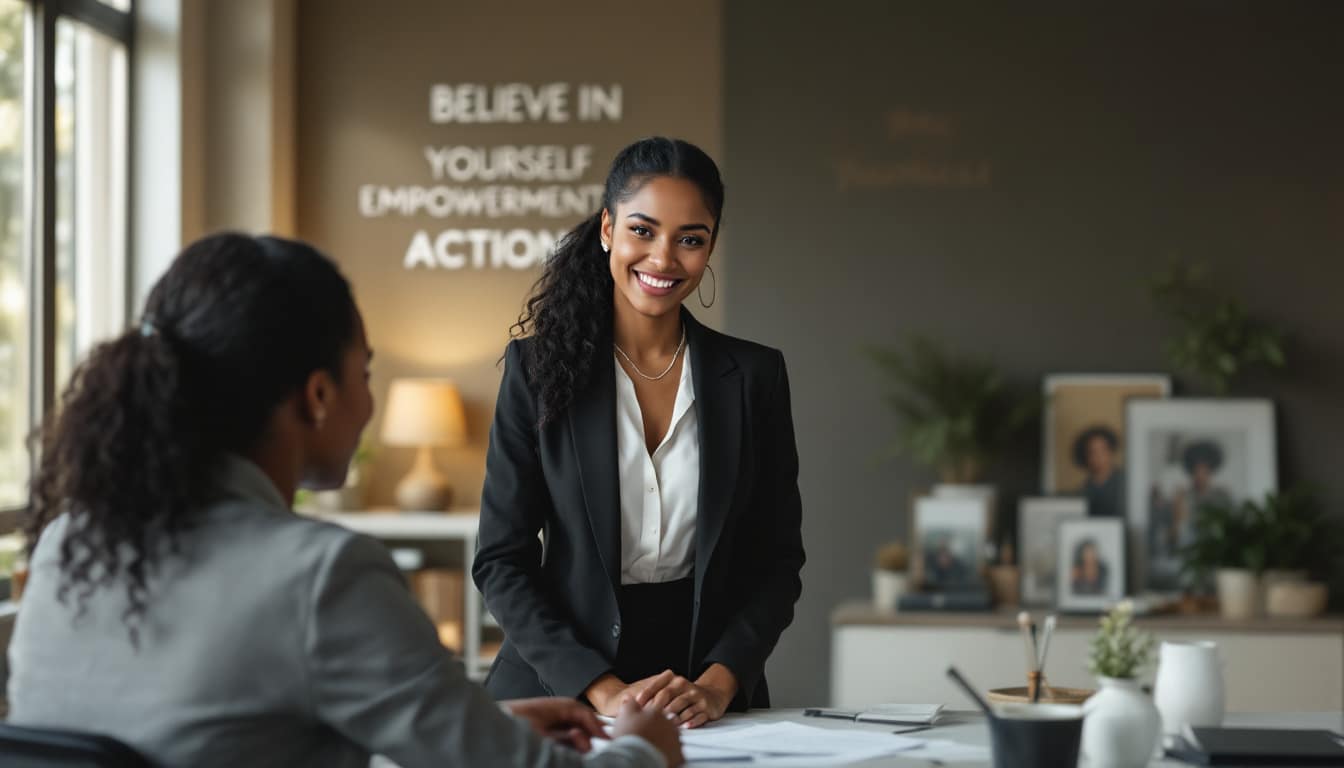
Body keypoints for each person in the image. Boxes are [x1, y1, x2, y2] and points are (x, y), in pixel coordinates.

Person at [7, 233, 682, 768]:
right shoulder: (320, 576)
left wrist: (484, 726)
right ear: (318, 395)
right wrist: (647, 747)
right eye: (364, 371)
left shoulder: (70, 542)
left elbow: (216, 731)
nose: (369, 396)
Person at [474, 137, 805, 729]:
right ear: (607, 229)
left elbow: (776, 563)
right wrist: (602, 691)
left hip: (702, 697)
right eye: (643, 231)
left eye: (690, 239)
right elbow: (502, 560)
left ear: (710, 246)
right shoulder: (535, 370)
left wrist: (718, 685)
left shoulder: (755, 376)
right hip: (559, 688)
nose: (663, 259)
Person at [1072, 425, 1124, 518]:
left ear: (1111, 452)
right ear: (1086, 457)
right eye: (1093, 452)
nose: (1098, 456)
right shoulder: (1084, 489)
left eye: (1103, 450)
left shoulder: (1124, 483)